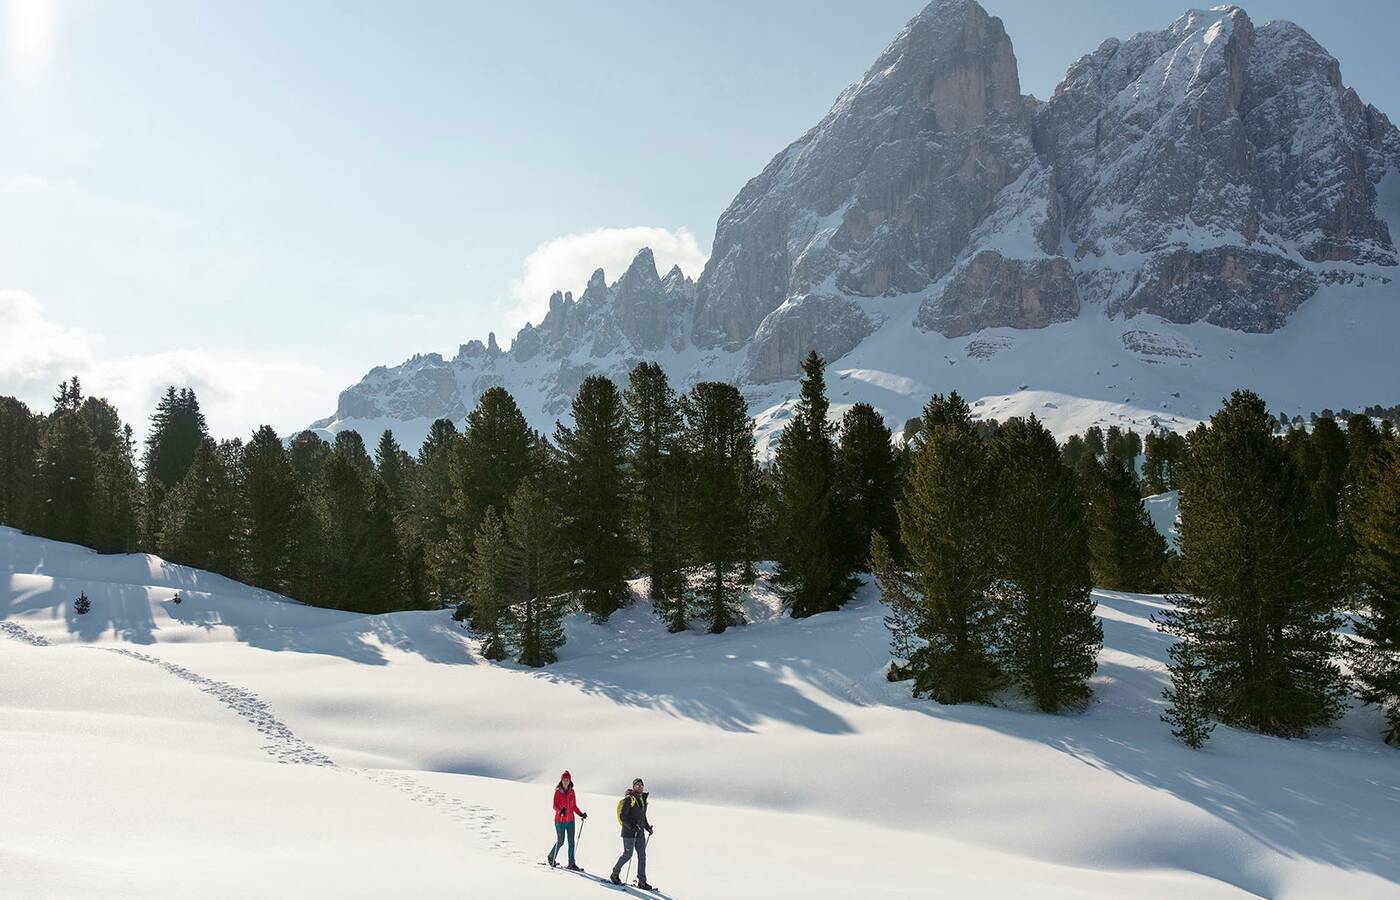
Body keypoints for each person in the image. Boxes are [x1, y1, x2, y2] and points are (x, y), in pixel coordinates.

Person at [610, 777, 653, 890]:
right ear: (633, 787)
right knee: (627, 855)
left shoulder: (642, 799)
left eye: (641, 785)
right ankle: (615, 873)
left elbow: (642, 816)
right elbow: (623, 816)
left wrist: (647, 827)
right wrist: (632, 826)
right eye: (637, 785)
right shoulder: (629, 799)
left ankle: (642, 881)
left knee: (642, 856)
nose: (640, 787)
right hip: (629, 833)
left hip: (640, 833)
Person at [547, 770, 587, 870]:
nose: (566, 781)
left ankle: (571, 863)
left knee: (571, 842)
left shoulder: (572, 792)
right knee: (560, 841)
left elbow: (574, 806)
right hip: (560, 820)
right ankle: (551, 857)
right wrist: (560, 810)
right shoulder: (558, 791)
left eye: (567, 780)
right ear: (561, 780)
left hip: (571, 821)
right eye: (564, 780)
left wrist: (580, 814)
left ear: (569, 780)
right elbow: (554, 806)